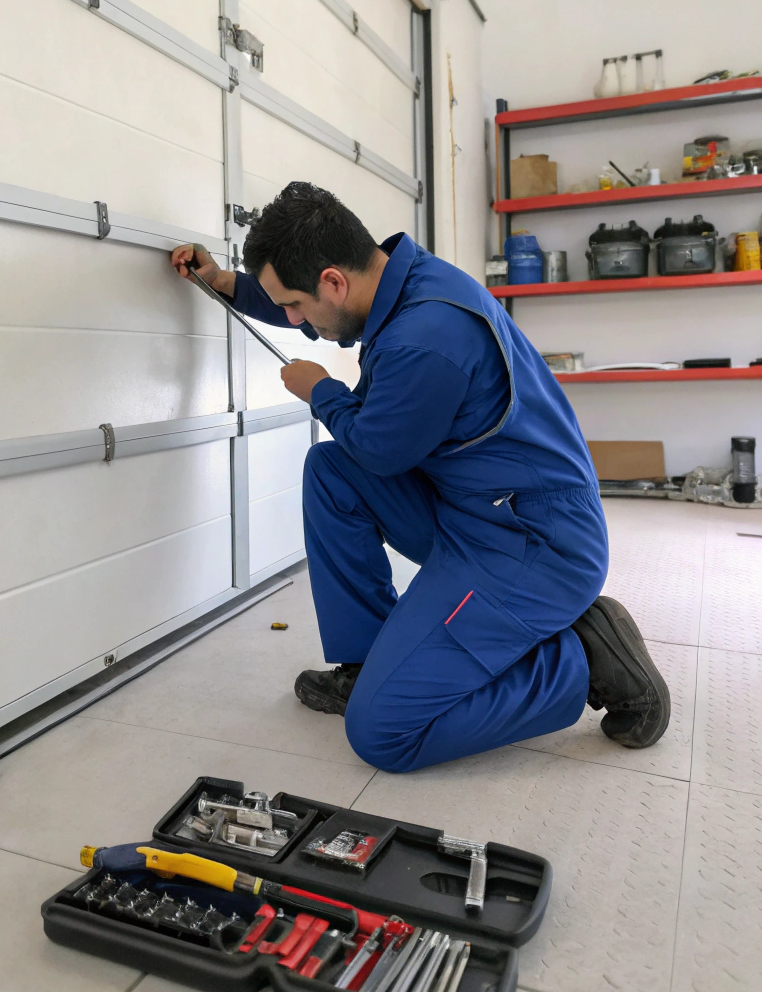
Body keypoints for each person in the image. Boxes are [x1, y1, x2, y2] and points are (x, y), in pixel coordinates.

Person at [171, 182, 669, 774]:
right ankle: (364, 665)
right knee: (332, 473)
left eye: (297, 306)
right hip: (476, 508)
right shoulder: (399, 280)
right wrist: (227, 285)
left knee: (385, 732)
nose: (293, 320)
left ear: (335, 280)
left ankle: (580, 658)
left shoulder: (426, 337)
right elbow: (318, 325)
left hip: (532, 544)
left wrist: (321, 392)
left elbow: (380, 450)